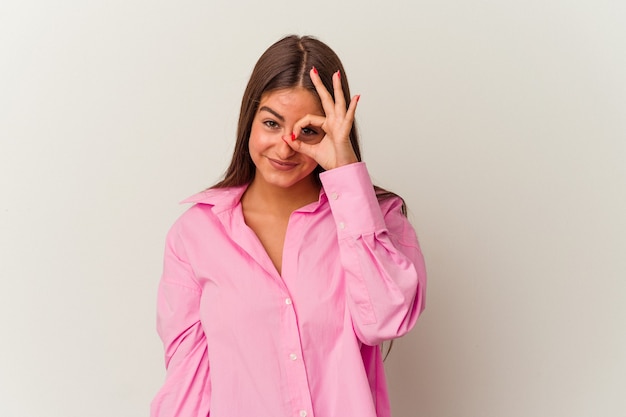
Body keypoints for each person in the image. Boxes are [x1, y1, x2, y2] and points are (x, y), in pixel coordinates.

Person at [151, 35, 427, 417]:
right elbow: (189, 382)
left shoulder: (379, 220)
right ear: (249, 120)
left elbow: (385, 320)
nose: (285, 148)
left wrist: (347, 176)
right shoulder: (195, 235)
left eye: (308, 131)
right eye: (271, 123)